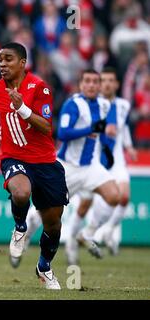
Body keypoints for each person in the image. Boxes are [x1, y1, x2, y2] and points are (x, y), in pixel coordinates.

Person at [0, 42, 68, 290]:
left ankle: (44, 266)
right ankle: (20, 228)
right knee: (20, 192)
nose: (2, 64)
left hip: (45, 162)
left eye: (8, 59)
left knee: (53, 224)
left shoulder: (39, 88)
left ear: (22, 63)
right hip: (14, 157)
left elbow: (46, 127)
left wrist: (22, 108)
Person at [56, 69, 120, 266]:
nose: (92, 85)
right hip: (68, 166)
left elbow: (106, 131)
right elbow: (62, 133)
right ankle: (24, 233)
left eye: (95, 82)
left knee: (113, 196)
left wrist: (108, 149)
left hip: (90, 166)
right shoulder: (72, 104)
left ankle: (86, 234)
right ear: (81, 84)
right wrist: (90, 129)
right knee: (46, 211)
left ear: (99, 86)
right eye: (88, 81)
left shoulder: (104, 105)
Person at [76, 67, 137, 256]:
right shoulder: (95, 105)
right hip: (97, 159)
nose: (107, 83)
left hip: (116, 158)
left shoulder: (123, 105)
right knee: (89, 201)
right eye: (104, 80)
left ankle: (105, 230)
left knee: (124, 197)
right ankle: (80, 234)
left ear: (117, 84)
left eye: (111, 80)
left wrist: (129, 146)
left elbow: (124, 127)